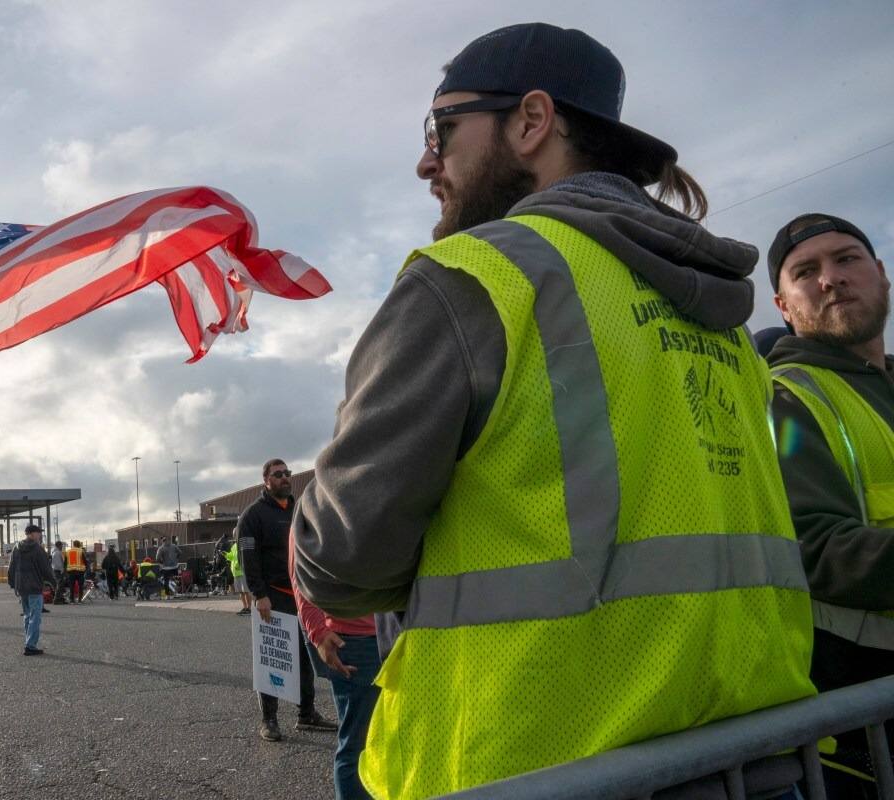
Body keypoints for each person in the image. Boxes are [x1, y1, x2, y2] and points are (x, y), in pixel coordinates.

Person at [292, 23, 816, 798]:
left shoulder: (474, 278)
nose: (426, 161)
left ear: (532, 122)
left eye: (442, 129)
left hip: (527, 761)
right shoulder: (723, 320)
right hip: (751, 761)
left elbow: (341, 556)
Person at [766, 214, 894, 796]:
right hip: (863, 728)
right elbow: (812, 549)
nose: (831, 279)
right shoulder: (783, 401)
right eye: (806, 272)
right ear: (784, 306)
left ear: (882, 275)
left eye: (847, 260)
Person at [238, 459, 336, 743]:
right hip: (272, 596)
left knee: (305, 655)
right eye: (277, 474)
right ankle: (269, 720)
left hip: (301, 595)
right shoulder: (252, 515)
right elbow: (248, 557)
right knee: (273, 657)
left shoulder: (298, 509)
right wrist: (259, 595)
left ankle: (307, 713)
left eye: (287, 474)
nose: (284, 478)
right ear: (265, 480)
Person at [290, 545, 379, 800]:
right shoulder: (313, 504)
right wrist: (317, 632)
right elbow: (301, 571)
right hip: (352, 640)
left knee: (379, 740)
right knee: (357, 745)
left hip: (385, 632)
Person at [8, 524, 53, 656]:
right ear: (32, 534)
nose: (40, 535)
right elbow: (46, 569)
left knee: (27, 615)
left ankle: (28, 642)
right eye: (39, 533)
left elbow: (11, 567)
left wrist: (12, 583)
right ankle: (30, 645)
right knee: (35, 617)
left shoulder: (16, 547)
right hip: (34, 586)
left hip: (21, 587)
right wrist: (54, 583)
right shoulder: (37, 549)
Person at [225, 541, 250, 616]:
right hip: (235, 572)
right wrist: (226, 555)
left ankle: (249, 608)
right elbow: (231, 557)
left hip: (242, 571)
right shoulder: (234, 546)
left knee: (246, 591)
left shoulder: (243, 544)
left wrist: (239, 564)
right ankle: (245, 607)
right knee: (241, 592)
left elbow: (244, 557)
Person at [51, 540, 66, 604]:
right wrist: (62, 570)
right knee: (59, 585)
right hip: (58, 571)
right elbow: (58, 564)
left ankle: (61, 599)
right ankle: (56, 599)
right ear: (59, 546)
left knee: (60, 585)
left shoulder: (55, 552)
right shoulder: (57, 553)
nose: (62, 547)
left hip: (56, 570)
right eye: (61, 545)